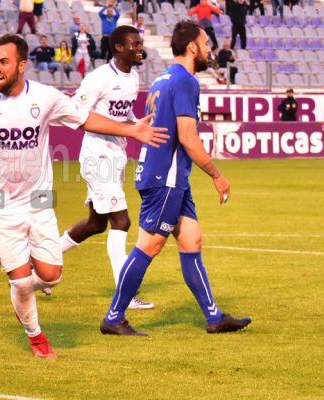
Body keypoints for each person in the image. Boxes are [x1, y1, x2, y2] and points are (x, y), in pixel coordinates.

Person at [0, 33, 168, 358]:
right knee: (25, 279)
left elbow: (85, 118)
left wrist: (130, 129)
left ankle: (23, 284)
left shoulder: (45, 97)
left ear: (21, 65)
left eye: (3, 62)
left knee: (51, 275)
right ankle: (36, 336)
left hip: (38, 201)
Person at [100, 21, 252, 336]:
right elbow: (188, 137)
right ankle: (114, 317)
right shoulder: (185, 81)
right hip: (165, 177)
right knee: (150, 244)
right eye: (206, 44)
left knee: (191, 239)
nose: (210, 50)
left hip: (165, 174)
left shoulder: (162, 79)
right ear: (192, 47)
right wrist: (217, 175)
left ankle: (214, 317)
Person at [62, 25, 155, 310]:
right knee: (122, 221)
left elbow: (123, 115)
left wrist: (139, 124)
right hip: (96, 155)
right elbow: (74, 113)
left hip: (116, 156)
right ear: (118, 47)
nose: (140, 48)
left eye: (140, 43)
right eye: (134, 44)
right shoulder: (99, 78)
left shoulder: (133, 77)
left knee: (95, 223)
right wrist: (129, 129)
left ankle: (40, 261)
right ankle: (124, 292)